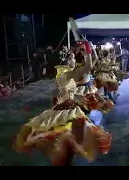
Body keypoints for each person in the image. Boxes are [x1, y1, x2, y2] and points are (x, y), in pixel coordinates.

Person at [13, 30, 111, 166]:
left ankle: (64, 156)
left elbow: (89, 65)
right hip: (67, 109)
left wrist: (90, 50)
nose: (74, 58)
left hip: (64, 107)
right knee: (71, 139)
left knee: (68, 141)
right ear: (67, 61)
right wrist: (88, 48)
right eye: (71, 57)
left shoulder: (63, 73)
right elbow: (88, 66)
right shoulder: (70, 74)